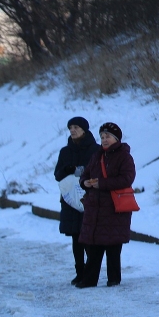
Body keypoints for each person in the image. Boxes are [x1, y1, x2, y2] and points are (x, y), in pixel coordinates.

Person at [78, 122, 136, 288]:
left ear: (116, 138)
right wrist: (85, 183)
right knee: (94, 246)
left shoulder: (124, 156)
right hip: (95, 208)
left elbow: (127, 179)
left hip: (114, 209)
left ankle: (113, 280)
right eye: (102, 136)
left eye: (108, 136)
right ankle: (88, 281)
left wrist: (101, 184)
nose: (104, 139)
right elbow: (85, 174)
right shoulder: (97, 156)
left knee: (113, 247)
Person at [54, 117, 97, 284]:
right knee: (76, 237)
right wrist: (67, 169)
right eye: (70, 127)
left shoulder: (95, 150)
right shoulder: (65, 151)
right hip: (70, 200)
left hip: (90, 198)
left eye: (76, 127)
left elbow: (95, 172)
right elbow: (57, 175)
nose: (72, 130)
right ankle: (80, 272)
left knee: (90, 238)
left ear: (84, 129)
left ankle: (90, 273)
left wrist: (77, 171)